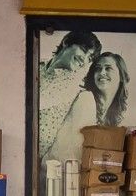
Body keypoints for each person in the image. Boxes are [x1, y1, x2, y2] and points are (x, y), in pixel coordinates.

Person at [44, 52, 130, 164]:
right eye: (98, 68)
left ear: (121, 76)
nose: (102, 72)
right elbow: (75, 149)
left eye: (108, 68)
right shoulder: (86, 99)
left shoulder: (113, 112)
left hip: (79, 168)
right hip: (58, 168)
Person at [38, 31, 102, 159]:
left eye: (90, 58)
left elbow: (35, 102)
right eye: (83, 50)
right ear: (66, 42)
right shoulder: (39, 66)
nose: (84, 60)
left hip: (35, 152)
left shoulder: (72, 82)